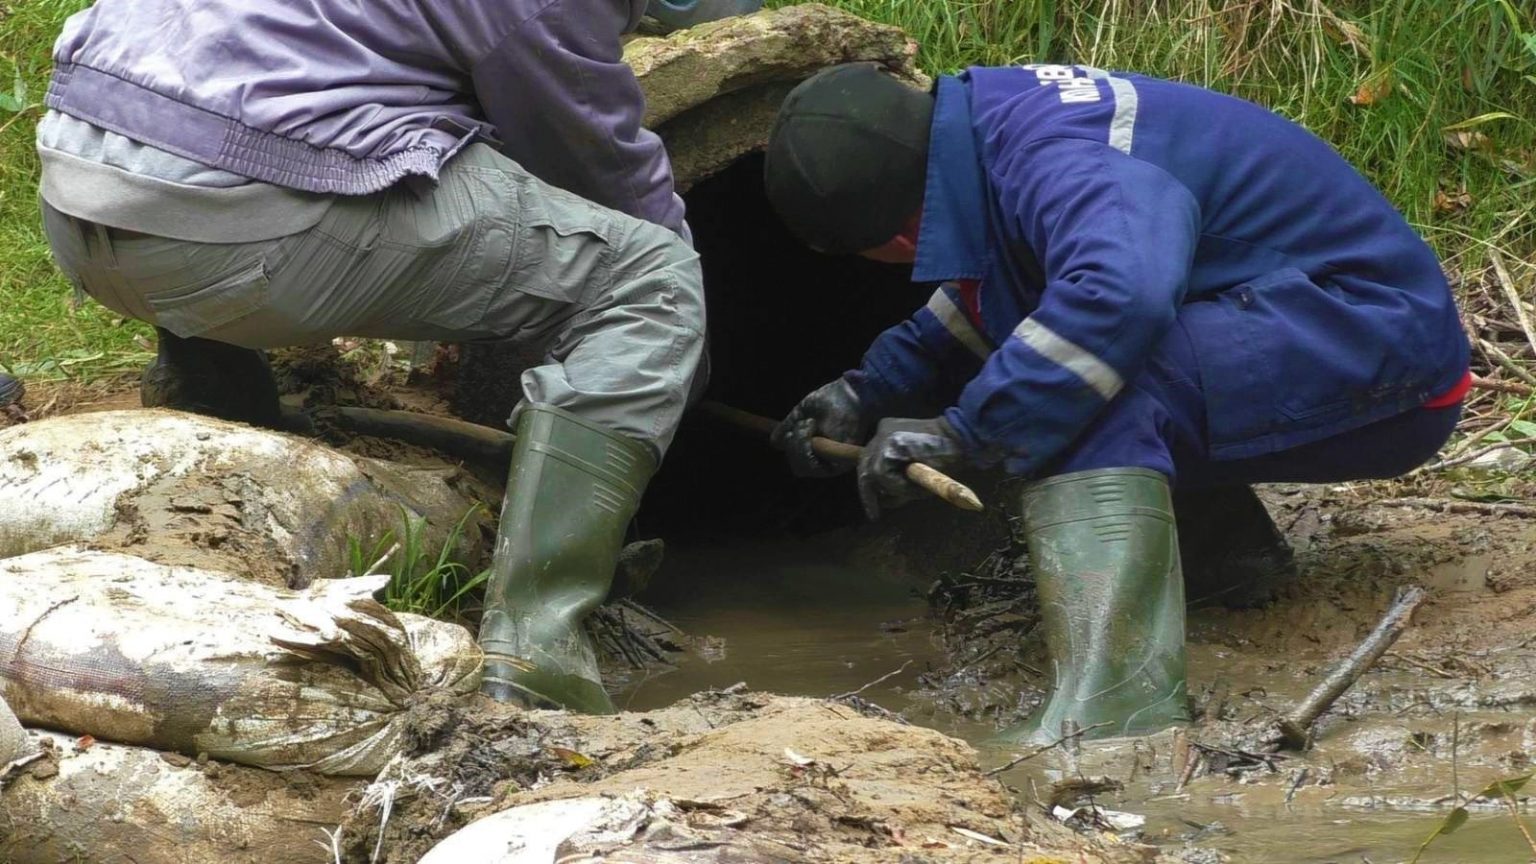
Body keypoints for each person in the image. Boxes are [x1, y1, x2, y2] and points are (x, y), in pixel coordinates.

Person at [35, 0, 714, 714]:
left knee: (263, 101)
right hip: (233, 228)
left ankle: (218, 410)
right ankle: (537, 655)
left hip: (81, 190)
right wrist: (673, 352)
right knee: (650, 278)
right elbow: (593, 161)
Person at [762, 63, 1470, 743]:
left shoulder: (1057, 159)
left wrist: (965, 431)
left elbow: (1118, 297)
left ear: (901, 239)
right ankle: (1228, 567)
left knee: (1084, 388)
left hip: (1383, 345)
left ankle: (1118, 718)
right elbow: (1005, 288)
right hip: (1325, 320)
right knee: (1056, 359)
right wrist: (869, 386)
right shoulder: (990, 126)